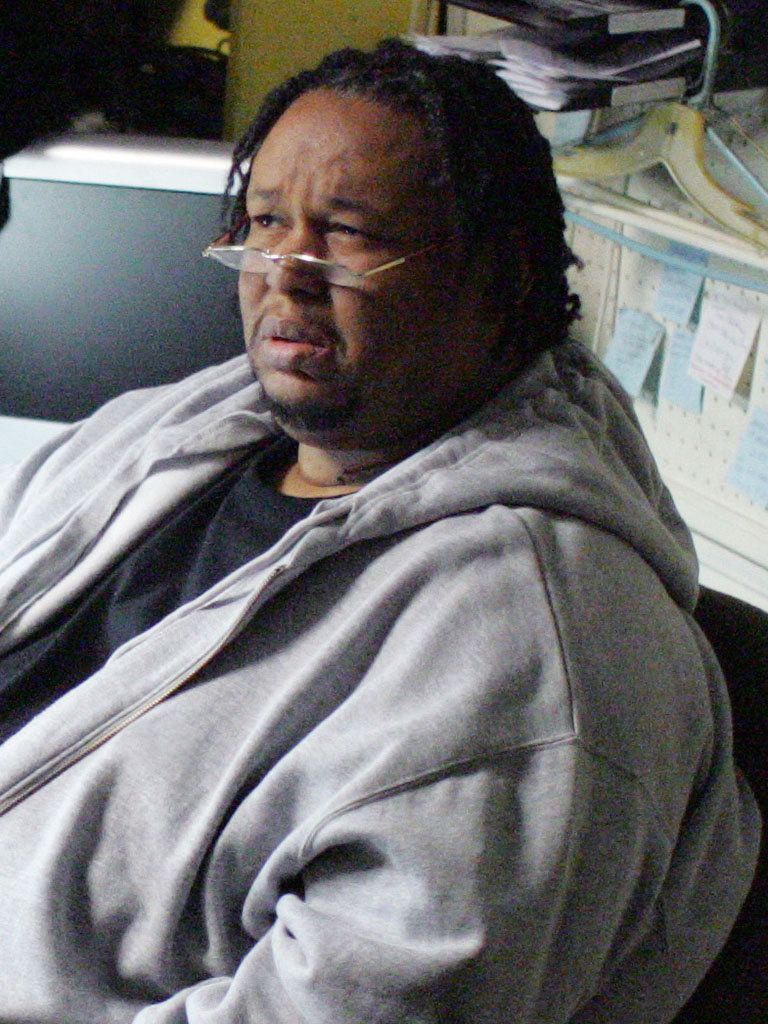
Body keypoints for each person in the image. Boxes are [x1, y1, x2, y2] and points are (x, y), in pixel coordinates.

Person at [0, 39, 759, 1024]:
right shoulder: (185, 425)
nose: (285, 275)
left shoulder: (532, 654)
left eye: (347, 233)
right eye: (266, 222)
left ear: (500, 275)